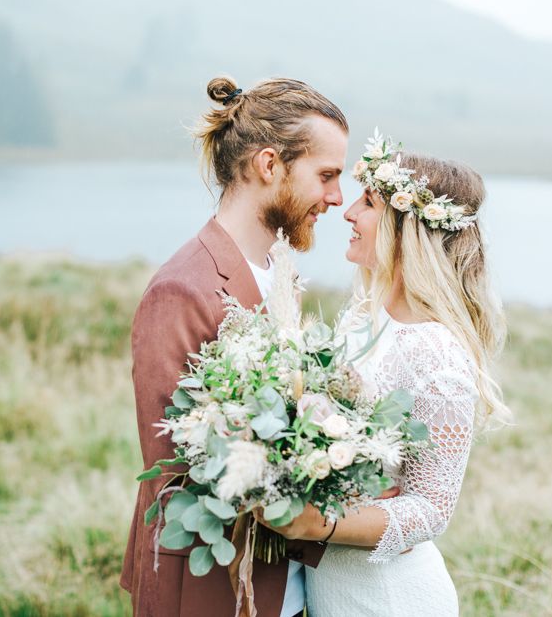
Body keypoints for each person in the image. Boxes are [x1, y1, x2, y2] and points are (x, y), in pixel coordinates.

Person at [119, 75, 349, 617]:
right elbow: (173, 468)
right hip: (206, 589)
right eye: (327, 176)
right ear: (270, 166)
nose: (337, 198)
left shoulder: (280, 273)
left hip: (286, 587)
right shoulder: (182, 289)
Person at [256, 137, 512, 616]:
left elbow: (431, 508)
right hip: (331, 586)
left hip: (388, 597)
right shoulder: (363, 319)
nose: (348, 213)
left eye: (368, 203)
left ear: (407, 226)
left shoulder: (436, 354)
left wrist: (315, 523)